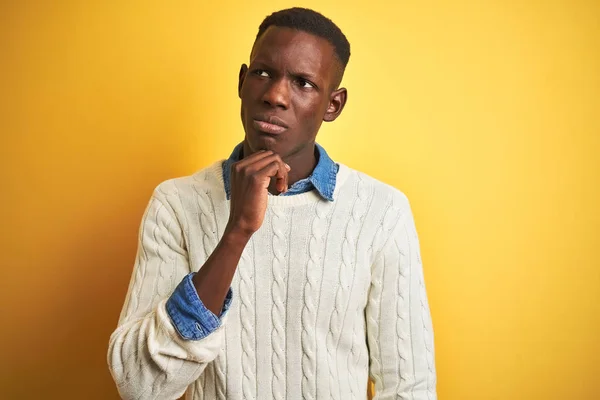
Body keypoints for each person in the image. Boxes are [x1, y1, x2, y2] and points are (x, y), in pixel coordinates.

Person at [108, 7, 437, 400]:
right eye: (263, 73)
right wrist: (236, 233)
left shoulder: (382, 212)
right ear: (243, 81)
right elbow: (138, 386)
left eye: (303, 83)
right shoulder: (176, 204)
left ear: (333, 105)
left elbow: (409, 387)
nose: (275, 96)